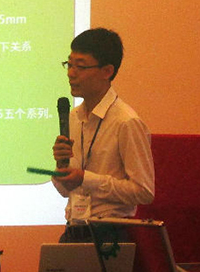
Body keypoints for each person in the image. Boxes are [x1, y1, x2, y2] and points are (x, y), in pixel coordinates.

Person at [51, 28, 154, 243]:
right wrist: (62, 168)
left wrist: (85, 178)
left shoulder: (126, 121)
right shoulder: (73, 117)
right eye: (69, 64)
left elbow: (144, 191)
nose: (71, 73)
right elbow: (66, 191)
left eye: (80, 66)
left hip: (111, 236)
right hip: (73, 231)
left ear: (107, 71)